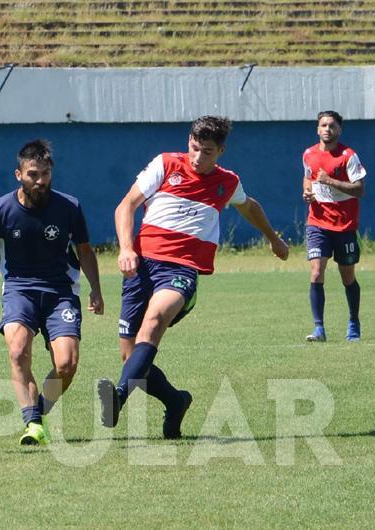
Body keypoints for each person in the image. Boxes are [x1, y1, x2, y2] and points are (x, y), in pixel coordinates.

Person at [98, 116, 289, 439]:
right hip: (141, 266)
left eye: (208, 152)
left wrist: (273, 238)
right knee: (130, 356)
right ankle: (175, 401)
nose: (199, 158)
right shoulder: (166, 164)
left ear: (222, 151)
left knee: (154, 320)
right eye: (195, 148)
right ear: (189, 141)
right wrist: (126, 249)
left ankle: (118, 397)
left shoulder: (226, 182)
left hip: (181, 270)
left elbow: (249, 206)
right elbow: (126, 207)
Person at [0, 139, 104, 446]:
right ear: (18, 174)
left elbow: (84, 250)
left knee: (66, 365)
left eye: (45, 174)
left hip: (61, 292)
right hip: (19, 290)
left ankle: (39, 411)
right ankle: (32, 423)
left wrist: (96, 289)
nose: (40, 181)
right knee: (18, 351)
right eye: (33, 174)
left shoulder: (69, 206)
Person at [302, 111, 366, 342]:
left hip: (344, 225)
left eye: (331, 125)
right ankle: (319, 328)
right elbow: (308, 177)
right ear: (317, 129)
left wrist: (330, 181)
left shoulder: (348, 156)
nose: (327, 129)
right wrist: (307, 193)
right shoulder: (309, 154)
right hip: (317, 223)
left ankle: (353, 324)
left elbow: (359, 189)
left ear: (339, 129)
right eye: (323, 125)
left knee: (347, 276)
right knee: (317, 272)